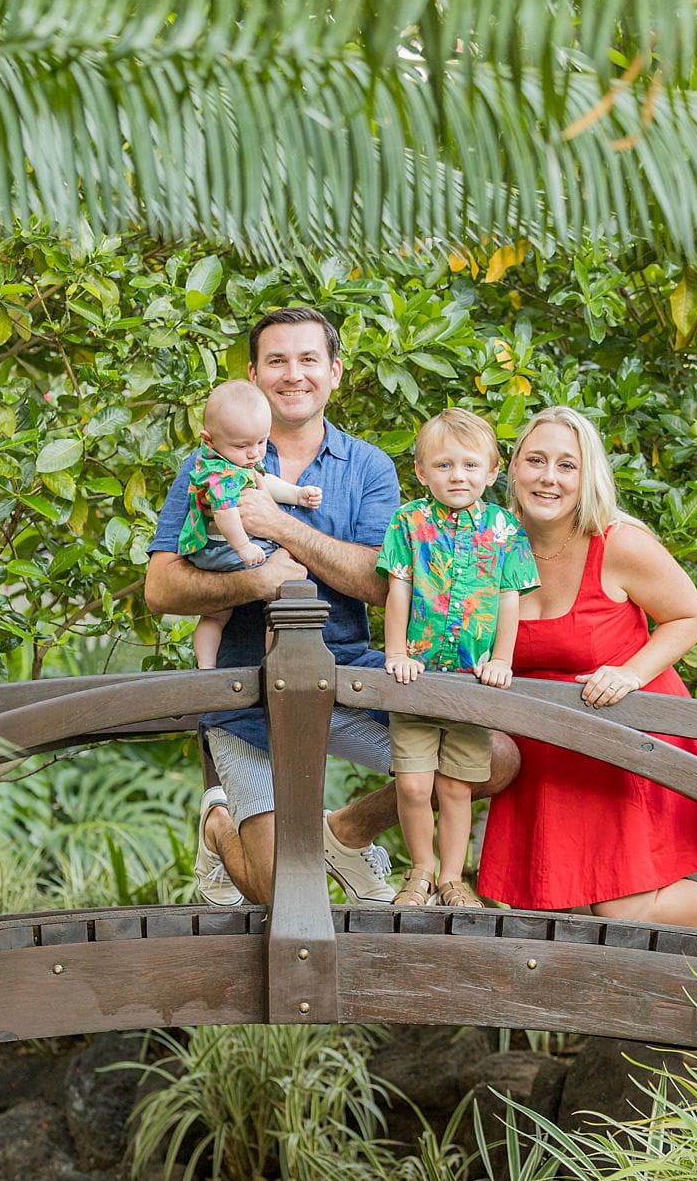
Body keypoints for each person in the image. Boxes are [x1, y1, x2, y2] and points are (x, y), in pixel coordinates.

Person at [144, 307, 519, 908]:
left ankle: (346, 832)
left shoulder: (368, 466)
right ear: (254, 373)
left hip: (348, 672)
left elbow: (381, 582)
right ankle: (219, 828)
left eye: (308, 359)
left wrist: (280, 526)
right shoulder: (207, 463)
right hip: (248, 693)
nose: (293, 375)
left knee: (492, 757)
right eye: (277, 361)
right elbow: (161, 588)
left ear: (335, 372)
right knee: (284, 895)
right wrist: (256, 579)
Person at [477, 406, 697, 940]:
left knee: (622, 909)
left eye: (566, 465)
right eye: (535, 460)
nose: (548, 477)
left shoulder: (618, 542)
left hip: (627, 735)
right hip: (549, 749)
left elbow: (691, 615)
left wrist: (630, 672)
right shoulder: (490, 544)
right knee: (562, 906)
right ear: (512, 468)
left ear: (588, 476)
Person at [379, 409, 539, 908]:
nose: (458, 477)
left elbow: (511, 596)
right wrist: (395, 650)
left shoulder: (504, 527)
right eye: (444, 466)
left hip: (472, 683)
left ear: (492, 473)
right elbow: (398, 587)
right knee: (412, 783)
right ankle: (420, 871)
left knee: (455, 786)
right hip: (418, 678)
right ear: (422, 472)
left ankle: (451, 878)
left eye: (471, 466)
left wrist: (501, 659)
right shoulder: (409, 522)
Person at [178, 380, 323, 670]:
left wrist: (296, 494)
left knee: (216, 615)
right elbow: (225, 511)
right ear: (208, 441)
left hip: (218, 550)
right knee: (283, 594)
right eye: (242, 445)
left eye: (261, 442)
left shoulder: (235, 462)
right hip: (223, 549)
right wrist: (243, 546)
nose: (254, 453)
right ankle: (274, 666)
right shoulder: (218, 473)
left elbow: (263, 481)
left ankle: (206, 668)